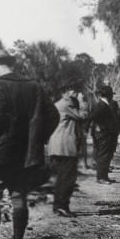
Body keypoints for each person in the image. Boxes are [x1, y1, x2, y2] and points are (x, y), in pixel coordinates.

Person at [0, 49, 58, 239]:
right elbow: (53, 115)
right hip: (24, 156)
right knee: (18, 197)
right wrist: (36, 140)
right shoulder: (34, 86)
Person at [46, 83, 89, 218]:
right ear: (65, 92)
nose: (76, 94)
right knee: (68, 178)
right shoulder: (67, 104)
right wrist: (82, 102)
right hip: (65, 147)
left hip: (58, 146)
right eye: (74, 91)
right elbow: (83, 116)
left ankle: (58, 206)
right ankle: (62, 206)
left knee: (61, 178)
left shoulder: (59, 104)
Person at [89, 84, 120, 183]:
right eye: (111, 95)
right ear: (109, 95)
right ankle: (101, 178)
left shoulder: (103, 104)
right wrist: (100, 127)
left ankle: (104, 176)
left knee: (106, 155)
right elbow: (93, 116)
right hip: (103, 135)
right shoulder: (102, 105)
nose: (112, 97)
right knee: (103, 155)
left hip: (106, 134)